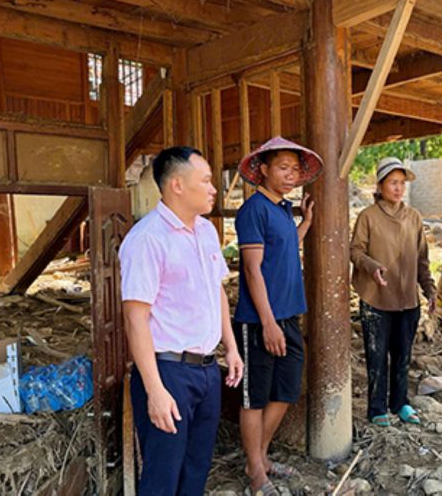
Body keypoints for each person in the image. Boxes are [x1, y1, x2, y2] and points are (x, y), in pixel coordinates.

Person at [119, 146, 243, 495]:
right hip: (168, 372)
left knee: (196, 469)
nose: (213, 188)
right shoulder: (147, 239)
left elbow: (215, 290)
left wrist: (230, 348)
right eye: (205, 180)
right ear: (176, 185)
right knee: (162, 476)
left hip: (206, 371)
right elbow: (135, 319)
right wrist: (155, 390)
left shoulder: (205, 231)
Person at [233, 137, 323, 496]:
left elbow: (284, 248)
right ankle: (256, 470)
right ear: (264, 170)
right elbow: (253, 271)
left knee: (285, 392)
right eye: (283, 167)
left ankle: (259, 456)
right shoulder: (253, 210)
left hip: (288, 316)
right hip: (259, 321)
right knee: (254, 397)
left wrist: (306, 222)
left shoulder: (283, 209)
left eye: (295, 169)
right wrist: (268, 323)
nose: (291, 175)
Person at [350, 157, 437, 427]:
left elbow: (422, 257)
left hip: (408, 300)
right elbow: (354, 251)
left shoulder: (414, 217)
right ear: (380, 185)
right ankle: (377, 408)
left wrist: (429, 289)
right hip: (376, 299)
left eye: (401, 183)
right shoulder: (368, 217)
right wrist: (372, 266)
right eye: (392, 183)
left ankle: (401, 403)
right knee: (377, 357)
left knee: (403, 356)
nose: (398, 188)